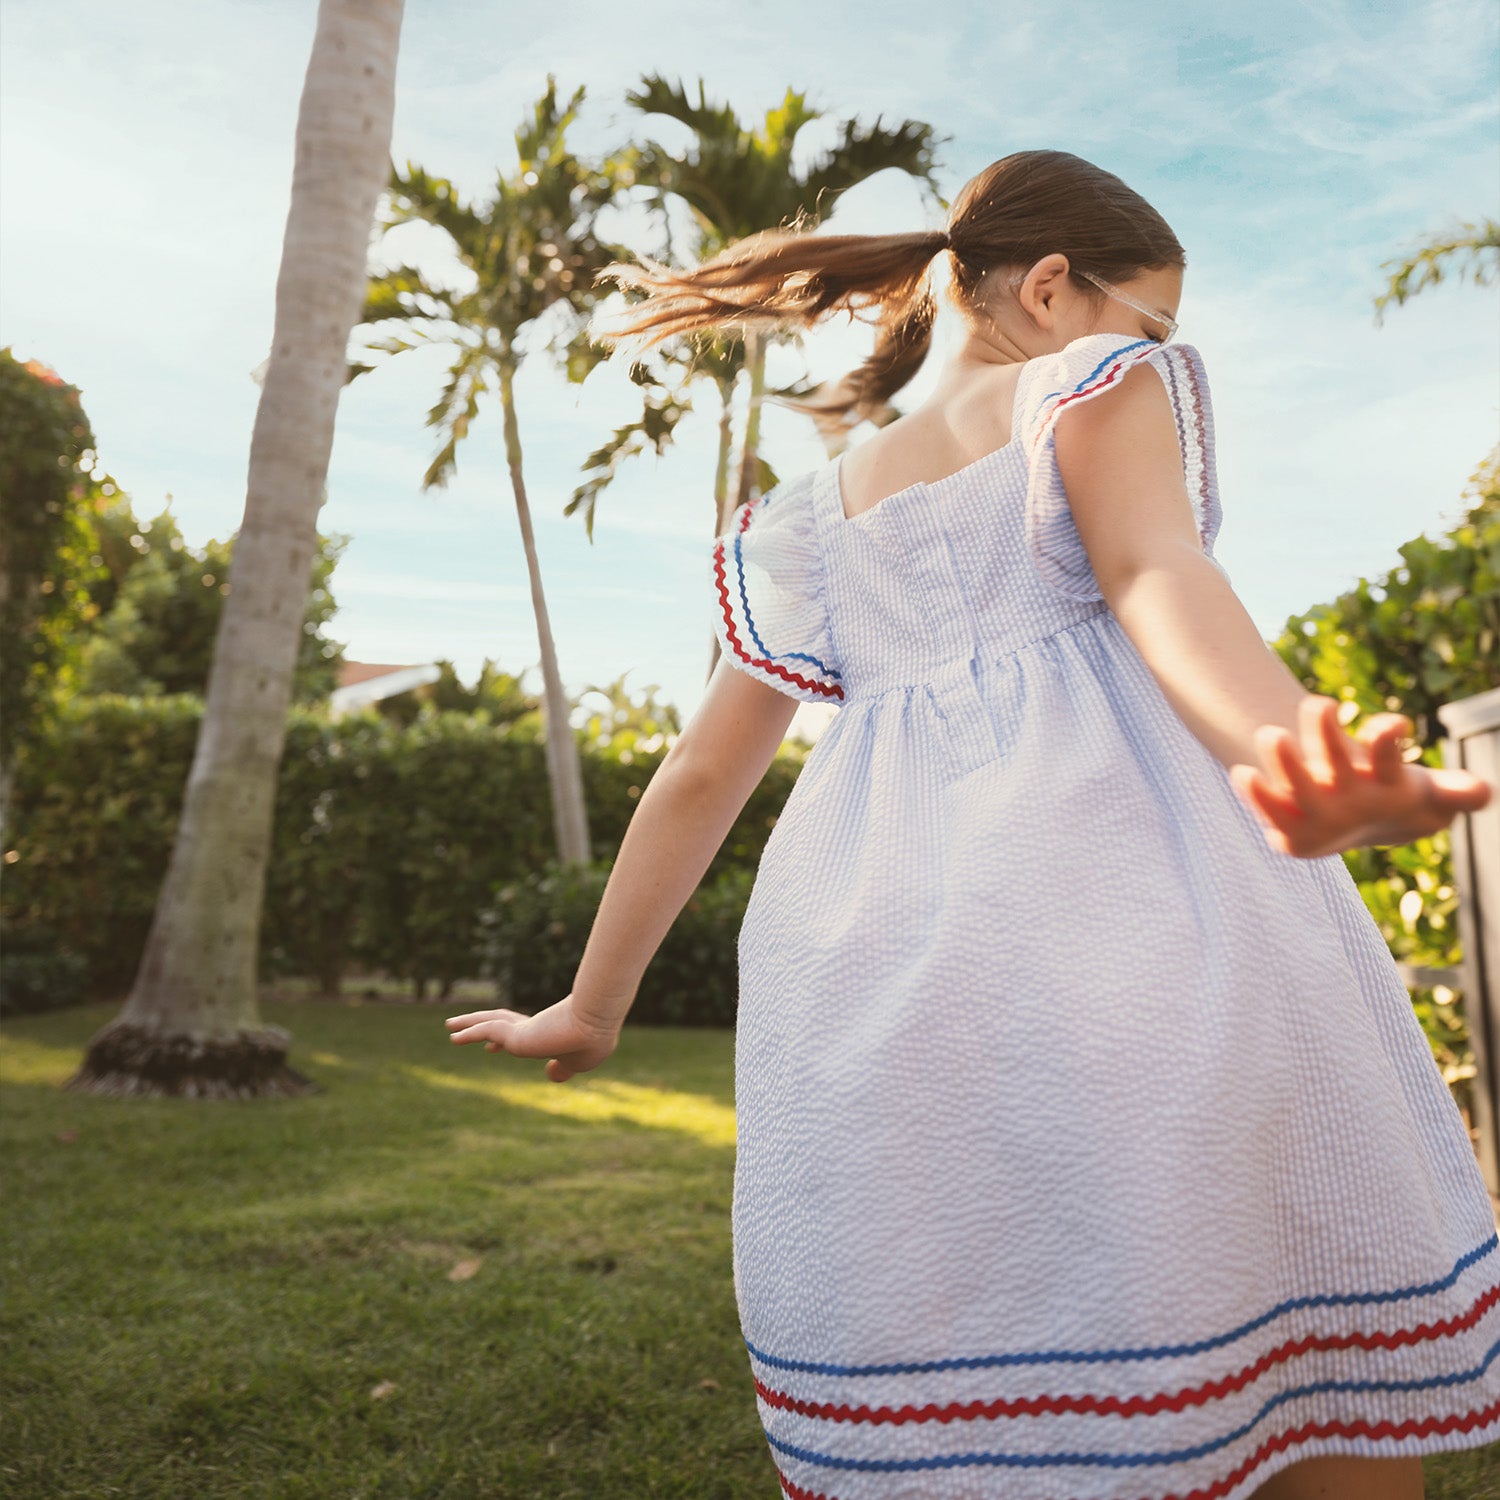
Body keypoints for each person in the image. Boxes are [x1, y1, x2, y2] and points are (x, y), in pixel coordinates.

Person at [445, 150, 1499, 1500]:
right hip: (1136, 904)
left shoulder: (812, 520)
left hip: (891, 964)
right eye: (1153, 321)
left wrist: (592, 1006)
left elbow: (701, 776)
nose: (1158, 351)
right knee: (1279, 1306)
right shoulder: (1081, 384)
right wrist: (1284, 745)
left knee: (1014, 1311)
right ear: (1055, 288)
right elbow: (1155, 568)